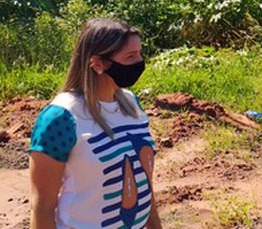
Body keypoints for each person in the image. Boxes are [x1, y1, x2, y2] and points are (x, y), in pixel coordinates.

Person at [29, 17, 162, 229]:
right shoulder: (60, 118)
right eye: (130, 57)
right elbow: (43, 207)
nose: (140, 62)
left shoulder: (131, 104)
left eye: (139, 54)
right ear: (98, 64)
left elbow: (142, 181)